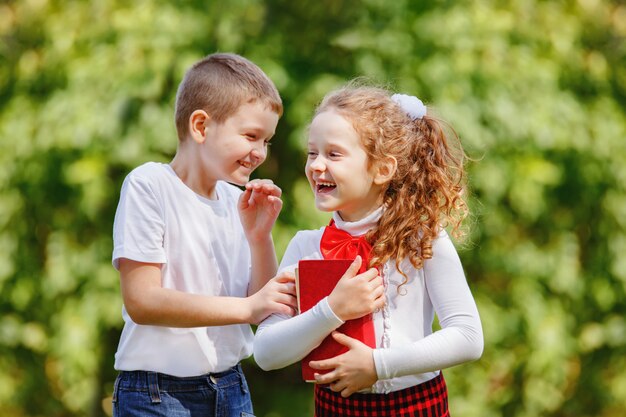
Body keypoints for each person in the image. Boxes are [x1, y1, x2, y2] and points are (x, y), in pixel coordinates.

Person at [253, 82, 484, 417]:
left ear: (383, 169)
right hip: (336, 408)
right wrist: (332, 309)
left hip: (417, 407)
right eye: (312, 153)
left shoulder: (423, 240)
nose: (317, 165)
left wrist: (378, 365)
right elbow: (266, 353)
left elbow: (468, 337)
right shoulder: (305, 246)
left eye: (333, 154)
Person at [111, 52, 296, 417]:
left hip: (231, 389)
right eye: (251, 136)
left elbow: (263, 309)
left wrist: (260, 238)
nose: (260, 153)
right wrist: (246, 307)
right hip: (156, 396)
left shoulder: (234, 201)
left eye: (267, 141)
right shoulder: (149, 185)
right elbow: (142, 300)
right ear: (200, 127)